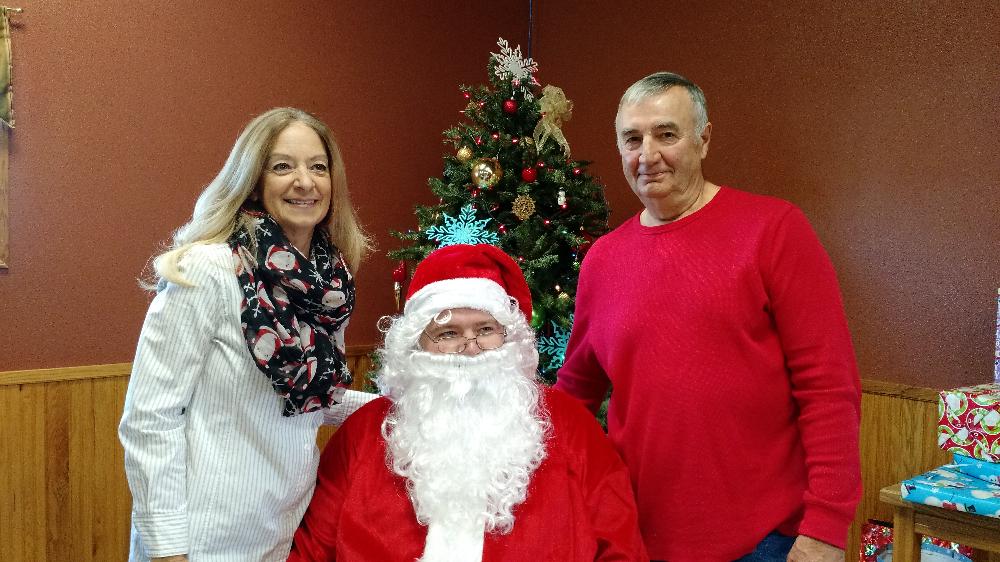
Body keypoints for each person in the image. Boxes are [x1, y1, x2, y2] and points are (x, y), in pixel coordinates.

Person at [555, 72, 862, 562]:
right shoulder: (603, 259)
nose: (647, 154)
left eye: (666, 134)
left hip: (767, 542)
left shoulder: (774, 230)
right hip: (636, 539)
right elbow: (574, 393)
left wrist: (825, 529)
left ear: (704, 138)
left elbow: (828, 386)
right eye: (632, 139)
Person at [119, 107, 377, 562]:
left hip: (283, 530)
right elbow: (150, 418)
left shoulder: (329, 288)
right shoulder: (208, 271)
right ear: (254, 181)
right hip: (199, 540)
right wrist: (167, 549)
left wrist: (399, 407)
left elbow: (313, 397)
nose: (305, 181)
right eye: (283, 166)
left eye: (318, 167)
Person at [287, 244, 647, 562]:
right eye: (448, 333)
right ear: (415, 345)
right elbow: (312, 550)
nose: (470, 347)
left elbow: (620, 546)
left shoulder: (568, 425)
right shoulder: (364, 434)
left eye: (485, 330)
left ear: (510, 339)